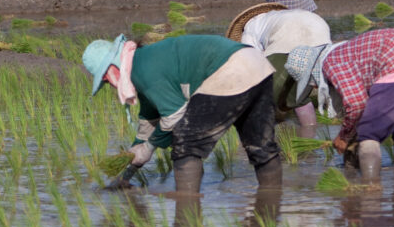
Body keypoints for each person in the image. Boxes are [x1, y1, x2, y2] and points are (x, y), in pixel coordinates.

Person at [82, 34, 283, 194]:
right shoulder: (143, 61)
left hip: (230, 69)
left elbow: (175, 115)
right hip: (256, 63)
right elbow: (147, 127)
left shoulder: (141, 70)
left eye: (105, 79)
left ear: (114, 67)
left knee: (185, 141)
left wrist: (150, 147)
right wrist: (125, 175)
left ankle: (186, 205)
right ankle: (272, 199)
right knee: (261, 146)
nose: (108, 84)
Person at [284, 28, 394, 180]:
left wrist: (344, 137)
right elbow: (365, 102)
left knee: (369, 133)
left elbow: (357, 104)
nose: (315, 87)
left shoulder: (332, 62)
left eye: (312, 83)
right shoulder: (345, 52)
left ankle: (369, 191)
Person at [226, 3, 332, 137]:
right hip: (318, 26)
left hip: (287, 34)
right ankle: (309, 134)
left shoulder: (249, 29)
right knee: (299, 94)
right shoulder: (275, 17)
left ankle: (258, 138)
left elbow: (252, 63)